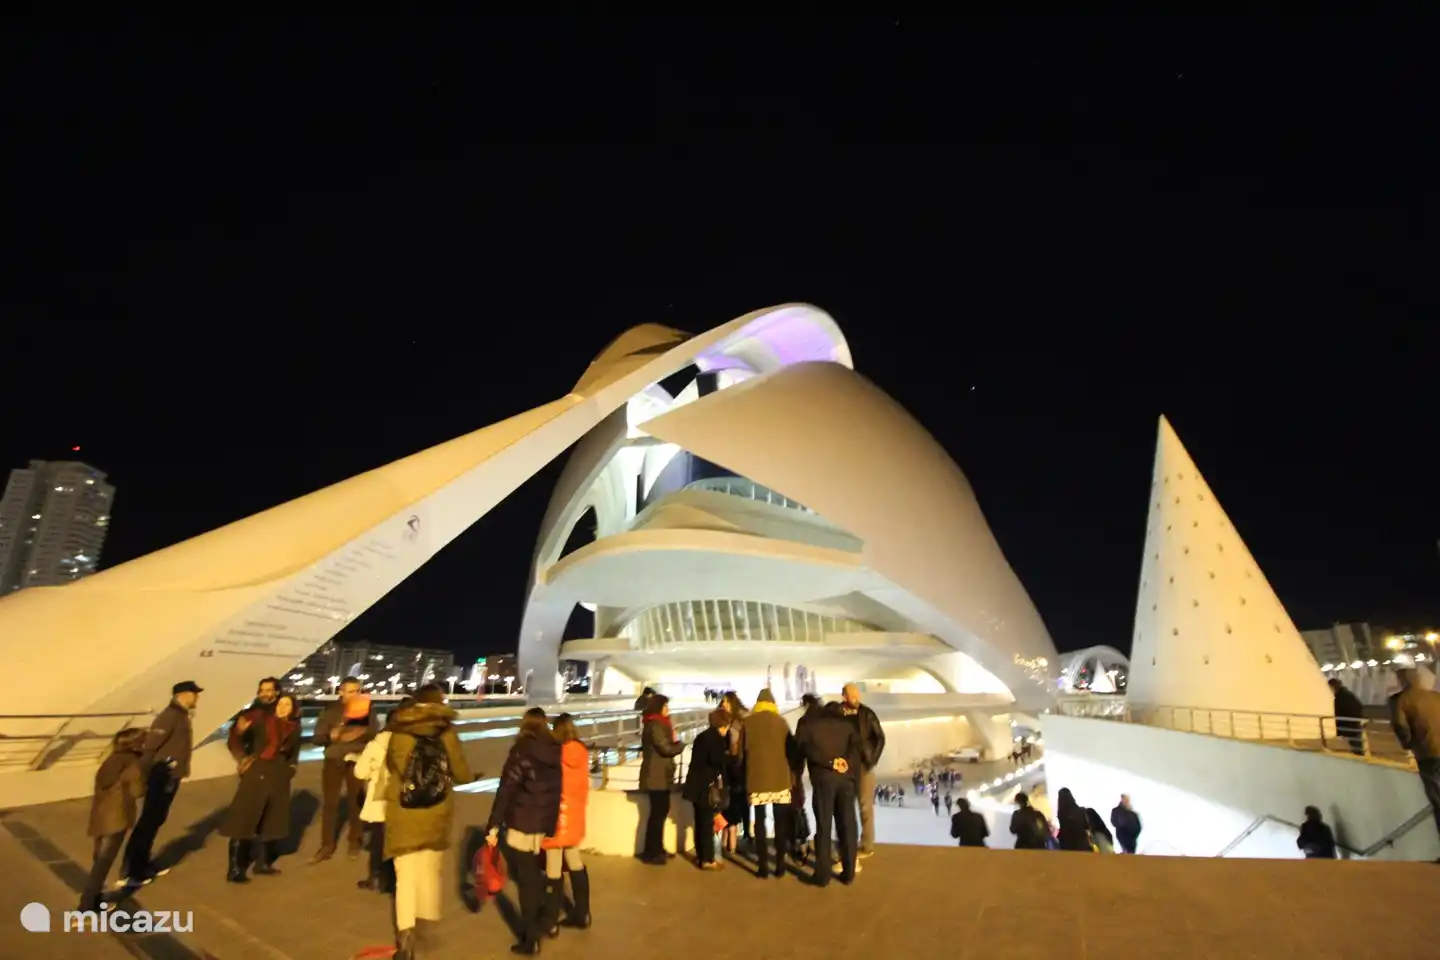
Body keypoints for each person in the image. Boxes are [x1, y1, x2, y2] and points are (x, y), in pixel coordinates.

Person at [386, 685, 476, 960]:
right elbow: (460, 772)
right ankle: (427, 926)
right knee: (429, 870)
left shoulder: (399, 732)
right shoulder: (447, 732)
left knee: (405, 876)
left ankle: (406, 937)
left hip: (405, 810)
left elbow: (396, 768)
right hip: (437, 809)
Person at [486, 707, 561, 956]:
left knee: (527, 880)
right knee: (535, 876)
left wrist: (493, 825)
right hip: (541, 825)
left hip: (520, 823)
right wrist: (549, 826)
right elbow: (554, 793)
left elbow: (506, 790)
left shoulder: (521, 752)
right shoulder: (553, 750)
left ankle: (531, 938)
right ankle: (546, 922)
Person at [122, 680, 201, 885]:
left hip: (169, 776)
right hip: (162, 776)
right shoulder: (170, 716)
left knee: (154, 820)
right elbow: (150, 747)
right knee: (149, 821)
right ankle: (134, 870)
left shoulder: (180, 715)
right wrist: (147, 775)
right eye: (195, 693)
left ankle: (138, 865)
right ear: (183, 695)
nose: (197, 697)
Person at [220, 692, 301, 882]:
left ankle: (262, 864)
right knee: (243, 820)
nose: (283, 708)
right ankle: (235, 869)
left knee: (270, 821)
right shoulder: (262, 722)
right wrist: (242, 756)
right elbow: (237, 736)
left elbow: (294, 753)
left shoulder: (294, 728)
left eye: (287, 705)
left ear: (293, 709)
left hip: (279, 776)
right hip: (257, 773)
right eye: (280, 704)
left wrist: (291, 769)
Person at [310, 676, 378, 863]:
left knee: (355, 802)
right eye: (349, 691)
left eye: (357, 691)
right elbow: (317, 737)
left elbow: (373, 733)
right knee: (330, 804)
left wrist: (359, 734)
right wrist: (330, 736)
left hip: (356, 760)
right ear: (340, 691)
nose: (354, 695)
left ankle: (354, 841)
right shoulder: (330, 711)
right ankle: (327, 846)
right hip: (333, 760)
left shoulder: (366, 710)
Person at [79, 728, 147, 911]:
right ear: (136, 744)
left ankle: (93, 899)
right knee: (102, 864)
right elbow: (137, 791)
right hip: (117, 818)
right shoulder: (132, 763)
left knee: (99, 860)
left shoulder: (110, 761)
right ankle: (86, 907)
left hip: (100, 816)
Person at [797, 701, 862, 885]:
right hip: (846, 780)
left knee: (824, 827)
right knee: (847, 825)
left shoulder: (812, 726)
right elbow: (857, 748)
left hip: (823, 781)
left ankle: (823, 875)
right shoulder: (848, 726)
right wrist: (844, 762)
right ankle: (849, 873)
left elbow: (806, 749)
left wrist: (829, 762)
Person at [352, 696, 412, 893]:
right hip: (405, 800)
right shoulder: (414, 743)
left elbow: (359, 772)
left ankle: (375, 878)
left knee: (379, 841)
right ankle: (396, 881)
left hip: (381, 800)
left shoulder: (376, 744)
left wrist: (371, 772)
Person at [540, 713, 592, 934]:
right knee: (574, 860)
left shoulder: (553, 754)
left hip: (556, 815)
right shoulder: (581, 752)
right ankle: (583, 913)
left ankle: (550, 922)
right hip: (575, 815)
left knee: (553, 866)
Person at [1389, 667, 1440, 856]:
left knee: (1437, 801)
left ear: (1403, 681)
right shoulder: (1436, 696)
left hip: (1428, 755)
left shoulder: (1403, 700)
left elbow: (1400, 725)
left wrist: (1408, 743)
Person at [743, 689, 794, 879]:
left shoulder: (748, 722)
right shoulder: (781, 722)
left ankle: (763, 866)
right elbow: (791, 749)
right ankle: (780, 865)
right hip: (780, 779)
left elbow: (741, 751)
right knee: (781, 823)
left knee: (760, 822)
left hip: (756, 778)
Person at [840, 683, 886, 858]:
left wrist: (871, 760)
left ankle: (867, 845)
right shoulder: (838, 714)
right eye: (852, 695)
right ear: (844, 696)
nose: (856, 699)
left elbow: (880, 738)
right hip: (844, 767)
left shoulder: (867, 714)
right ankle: (848, 843)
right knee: (845, 807)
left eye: (857, 695)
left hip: (863, 766)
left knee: (865, 807)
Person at [637, 694, 684, 865]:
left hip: (660, 775)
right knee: (658, 813)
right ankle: (652, 852)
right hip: (656, 776)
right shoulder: (655, 725)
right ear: (659, 707)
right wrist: (680, 745)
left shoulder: (656, 723)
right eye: (665, 706)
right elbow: (665, 748)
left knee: (659, 813)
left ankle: (657, 848)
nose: (668, 710)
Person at [684, 709, 732, 871]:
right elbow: (716, 759)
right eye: (727, 725)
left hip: (695, 785)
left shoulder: (702, 736)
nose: (727, 729)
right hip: (707, 787)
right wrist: (730, 757)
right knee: (706, 823)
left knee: (699, 822)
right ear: (721, 724)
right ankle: (707, 859)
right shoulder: (716, 739)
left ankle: (701, 856)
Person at [720, 691, 751, 855]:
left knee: (738, 797)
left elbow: (737, 742)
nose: (723, 704)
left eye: (725, 701)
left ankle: (743, 831)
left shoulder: (738, 719)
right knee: (735, 797)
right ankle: (739, 831)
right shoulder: (729, 718)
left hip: (738, 763)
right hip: (734, 764)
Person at [1329, 678, 1367, 755]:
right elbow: (1360, 707)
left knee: (1355, 743)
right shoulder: (1347, 694)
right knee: (1356, 742)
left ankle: (1359, 756)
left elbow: (1339, 714)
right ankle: (1359, 755)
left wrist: (1339, 730)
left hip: (1350, 725)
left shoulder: (1340, 697)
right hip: (1354, 724)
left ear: (1333, 687)